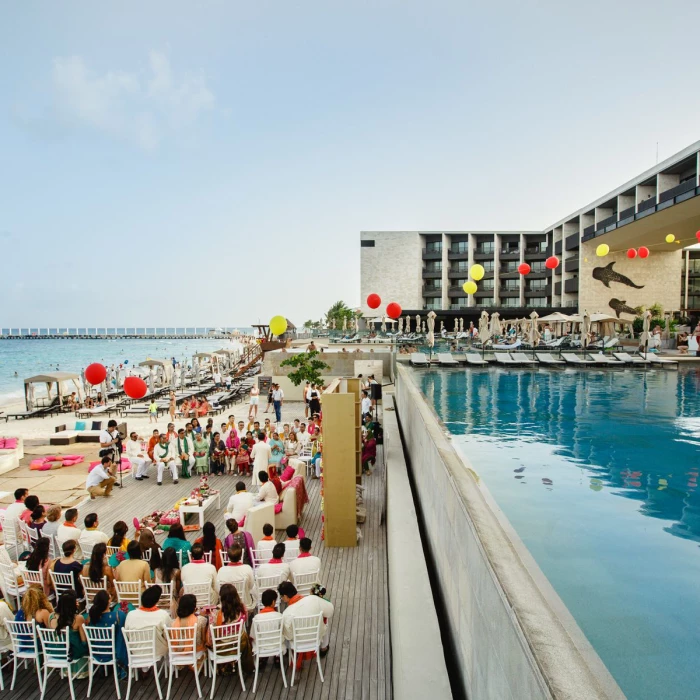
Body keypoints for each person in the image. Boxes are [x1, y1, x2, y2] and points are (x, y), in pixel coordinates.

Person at [206, 583, 253, 673]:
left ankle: (221, 666)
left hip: (221, 649)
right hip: (238, 645)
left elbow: (210, 637)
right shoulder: (242, 609)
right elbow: (245, 620)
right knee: (244, 636)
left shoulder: (216, 614)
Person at [278, 581, 333, 654]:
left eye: (281, 596)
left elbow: (289, 636)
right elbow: (330, 611)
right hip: (316, 636)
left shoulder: (286, 614)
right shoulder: (313, 599)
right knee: (324, 617)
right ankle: (324, 647)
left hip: (299, 642)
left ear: (285, 596)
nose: (281, 598)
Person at [86, 590, 129, 671]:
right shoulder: (117, 615)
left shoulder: (92, 617)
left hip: (97, 652)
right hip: (114, 652)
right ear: (108, 601)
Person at [125, 586, 171, 660]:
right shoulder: (162, 614)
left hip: (135, 651)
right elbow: (169, 632)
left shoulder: (131, 614)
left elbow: (127, 633)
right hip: (156, 651)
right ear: (156, 601)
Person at [48, 590, 88, 676]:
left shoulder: (51, 616)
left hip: (55, 651)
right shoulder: (78, 618)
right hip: (71, 653)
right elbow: (84, 641)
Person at [216, 546, 257, 613]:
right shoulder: (247, 568)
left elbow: (218, 589)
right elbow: (251, 586)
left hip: (226, 604)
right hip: (244, 603)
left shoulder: (221, 570)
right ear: (241, 556)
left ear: (229, 557)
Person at [171, 594, 207, 659]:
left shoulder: (174, 623)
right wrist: (202, 616)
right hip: (196, 651)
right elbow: (204, 639)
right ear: (193, 607)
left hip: (178, 652)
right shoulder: (201, 620)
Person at [154, 547, 183, 616]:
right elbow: (177, 590)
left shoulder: (156, 571)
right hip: (171, 602)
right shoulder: (177, 572)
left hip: (157, 601)